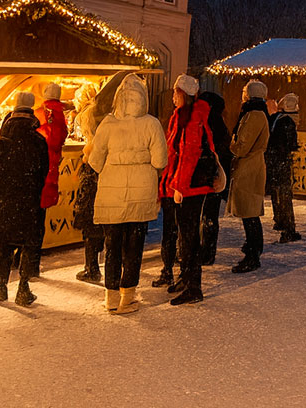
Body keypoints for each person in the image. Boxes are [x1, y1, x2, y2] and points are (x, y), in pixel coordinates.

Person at [88, 75, 168, 314]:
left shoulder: (108, 124)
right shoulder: (151, 124)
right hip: (141, 194)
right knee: (134, 247)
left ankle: (110, 296)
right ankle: (128, 296)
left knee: (112, 245)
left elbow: (94, 161)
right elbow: (160, 160)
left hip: (111, 196)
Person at [0, 92, 49, 307]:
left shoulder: (2, 141)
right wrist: (29, 184)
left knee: (3, 245)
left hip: (7, 200)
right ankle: (24, 289)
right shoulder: (39, 141)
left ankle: (0, 288)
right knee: (28, 245)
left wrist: (4, 182)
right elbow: (43, 171)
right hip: (30, 201)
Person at [159, 74, 218, 305]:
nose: (172, 97)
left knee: (189, 236)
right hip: (187, 184)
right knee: (185, 235)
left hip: (191, 186)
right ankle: (186, 277)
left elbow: (188, 154)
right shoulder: (182, 116)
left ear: (183, 94)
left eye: (175, 92)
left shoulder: (193, 118)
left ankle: (194, 286)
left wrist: (179, 186)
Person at [229, 80, 270, 273]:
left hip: (249, 168)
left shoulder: (254, 115)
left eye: (245, 91)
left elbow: (243, 145)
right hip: (250, 167)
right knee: (249, 213)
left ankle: (253, 255)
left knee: (250, 214)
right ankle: (252, 250)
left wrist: (232, 145)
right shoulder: (257, 113)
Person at [31, 82, 67, 277]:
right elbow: (60, 139)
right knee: (40, 216)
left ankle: (24, 257)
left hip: (37, 169)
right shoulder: (60, 115)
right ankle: (34, 259)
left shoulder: (39, 113)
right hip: (52, 168)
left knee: (30, 214)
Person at [72, 83, 104, 283]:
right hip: (100, 173)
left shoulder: (87, 115)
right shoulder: (102, 113)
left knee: (89, 220)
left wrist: (86, 157)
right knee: (97, 221)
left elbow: (89, 142)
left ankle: (91, 267)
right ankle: (94, 265)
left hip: (92, 170)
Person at [198, 90, 232, 265]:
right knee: (210, 214)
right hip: (216, 174)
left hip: (211, 175)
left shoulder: (210, 123)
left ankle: (206, 251)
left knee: (208, 214)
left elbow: (214, 151)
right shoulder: (219, 122)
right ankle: (207, 251)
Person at [266, 92, 302, 242]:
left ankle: (279, 219)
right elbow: (290, 144)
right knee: (286, 193)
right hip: (281, 160)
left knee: (276, 190)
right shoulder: (288, 122)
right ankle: (289, 227)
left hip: (272, 159)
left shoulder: (275, 119)